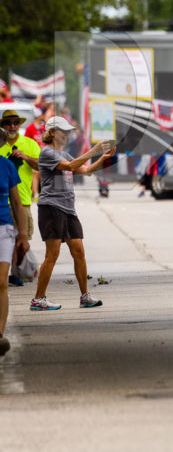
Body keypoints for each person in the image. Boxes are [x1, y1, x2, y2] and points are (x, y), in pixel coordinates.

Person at [30, 116, 115, 311]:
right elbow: (69, 167)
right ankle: (38, 299)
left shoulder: (64, 154)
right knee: (52, 255)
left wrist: (101, 158)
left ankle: (85, 296)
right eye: (64, 131)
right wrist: (93, 150)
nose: (67, 135)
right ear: (52, 133)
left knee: (79, 252)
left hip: (68, 209)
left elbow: (84, 170)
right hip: (51, 207)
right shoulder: (47, 153)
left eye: (69, 131)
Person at [0, 109, 40, 288]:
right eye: (8, 123)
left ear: (20, 124)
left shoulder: (29, 143)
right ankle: (9, 273)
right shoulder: (1, 144)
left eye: (15, 122)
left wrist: (25, 157)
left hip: (22, 199)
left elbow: (42, 165)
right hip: (3, 200)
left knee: (22, 238)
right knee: (7, 239)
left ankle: (15, 271)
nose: (12, 126)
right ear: (3, 126)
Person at [0, 153, 28, 357]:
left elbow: (17, 203)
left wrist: (23, 235)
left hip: (5, 229)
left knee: (1, 282)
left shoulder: (7, 166)